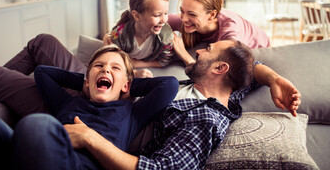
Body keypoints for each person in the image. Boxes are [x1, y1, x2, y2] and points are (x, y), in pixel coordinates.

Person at [60, 40, 301, 170]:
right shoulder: (217, 88)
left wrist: (90, 138)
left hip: (93, 131)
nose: (197, 51)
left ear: (219, 69)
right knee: (42, 47)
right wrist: (275, 80)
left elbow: (161, 169)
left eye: (207, 50)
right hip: (96, 101)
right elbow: (247, 67)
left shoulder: (205, 118)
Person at [0, 45, 178, 169]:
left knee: (36, 125)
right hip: (33, 153)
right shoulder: (68, 102)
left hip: (76, 165)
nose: (106, 69)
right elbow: (42, 72)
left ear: (126, 85)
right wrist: (88, 79)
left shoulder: (131, 113)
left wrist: (126, 84)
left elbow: (169, 85)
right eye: (99, 65)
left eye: (115, 67)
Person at [168, 0, 271, 66]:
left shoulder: (231, 32)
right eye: (182, 11)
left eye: (192, 14)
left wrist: (184, 54)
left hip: (259, 46)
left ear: (212, 15)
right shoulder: (186, 18)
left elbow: (215, 74)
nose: (184, 19)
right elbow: (160, 18)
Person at [104, 0, 174, 78]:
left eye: (166, 13)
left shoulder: (166, 36)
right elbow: (112, 61)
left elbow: (164, 61)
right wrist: (132, 71)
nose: (164, 20)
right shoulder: (120, 34)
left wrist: (138, 63)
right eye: (157, 15)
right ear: (136, 16)